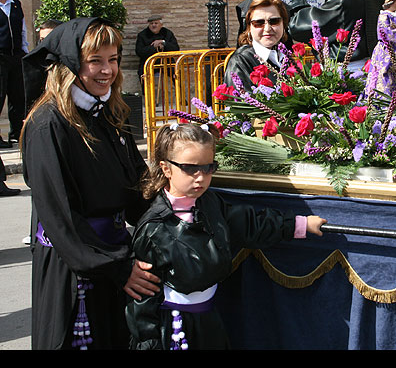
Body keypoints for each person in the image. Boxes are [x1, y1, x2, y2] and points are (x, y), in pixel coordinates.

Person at [21, 17, 161, 349]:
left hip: (116, 258)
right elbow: (61, 217)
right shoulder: (48, 126)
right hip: (77, 269)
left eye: (112, 60)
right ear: (69, 65)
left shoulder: (111, 113)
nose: (107, 70)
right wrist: (119, 267)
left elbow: (137, 189)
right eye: (94, 61)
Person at [126, 122, 327, 350]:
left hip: (209, 324)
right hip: (174, 329)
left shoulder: (211, 204)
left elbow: (251, 224)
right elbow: (142, 301)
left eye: (208, 167)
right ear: (166, 168)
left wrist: (301, 224)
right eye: (190, 168)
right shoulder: (154, 228)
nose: (200, 177)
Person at [223, 0, 290, 92]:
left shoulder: (286, 57)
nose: (267, 29)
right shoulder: (240, 61)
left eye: (274, 21)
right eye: (259, 23)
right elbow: (240, 102)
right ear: (249, 28)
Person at [0, 0, 28, 146]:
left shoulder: (15, 4)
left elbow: (23, 29)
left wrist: (25, 51)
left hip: (16, 56)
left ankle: (16, 133)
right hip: (0, 57)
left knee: (17, 97)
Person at [365, 0, 396, 96]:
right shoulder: (384, 16)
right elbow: (384, 33)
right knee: (386, 72)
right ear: (391, 2)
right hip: (386, 49)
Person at [135, 15, 180, 82]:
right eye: (151, 23)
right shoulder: (142, 35)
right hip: (149, 62)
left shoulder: (167, 33)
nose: (153, 25)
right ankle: (146, 92)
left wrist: (163, 43)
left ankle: (179, 91)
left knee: (177, 74)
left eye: (156, 23)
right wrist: (154, 47)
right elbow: (139, 51)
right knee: (143, 75)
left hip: (166, 62)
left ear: (161, 25)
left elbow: (176, 48)